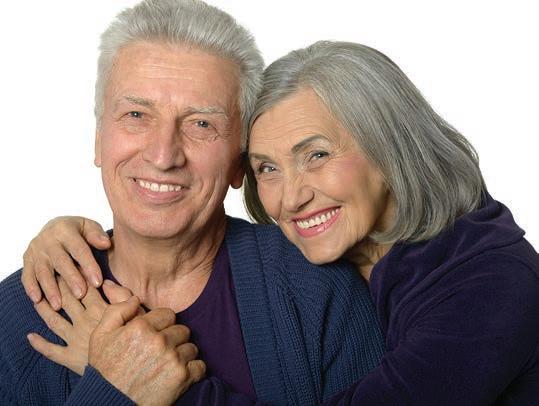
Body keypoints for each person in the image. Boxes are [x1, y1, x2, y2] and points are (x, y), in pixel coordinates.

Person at [24, 40, 539, 404]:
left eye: (316, 155)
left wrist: (145, 380)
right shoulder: (344, 256)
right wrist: (67, 233)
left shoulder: (492, 282)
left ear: (390, 148)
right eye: (267, 168)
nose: (291, 198)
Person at [0, 2, 385, 405]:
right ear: (99, 139)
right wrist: (115, 388)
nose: (163, 155)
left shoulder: (317, 289)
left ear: (239, 162)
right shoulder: (23, 310)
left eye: (202, 124)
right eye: (136, 114)